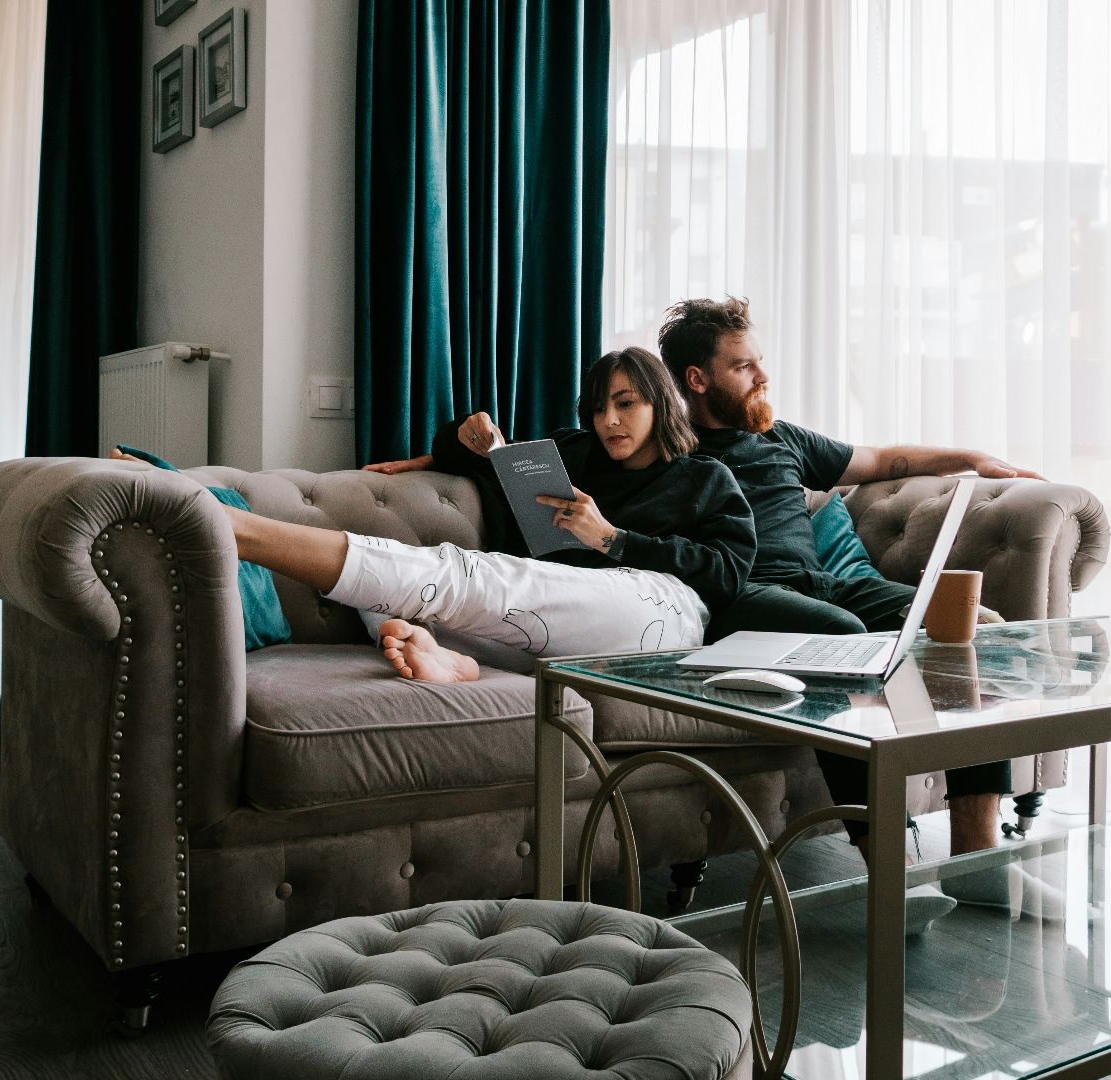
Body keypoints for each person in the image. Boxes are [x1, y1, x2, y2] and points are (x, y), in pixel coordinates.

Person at [657, 295, 1059, 926]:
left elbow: (886, 461)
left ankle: (980, 863)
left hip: (827, 585)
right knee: (842, 645)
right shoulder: (665, 454)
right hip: (747, 598)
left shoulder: (782, 438)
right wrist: (460, 447)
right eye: (743, 367)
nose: (762, 377)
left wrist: (970, 459)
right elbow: (553, 460)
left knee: (966, 628)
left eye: (760, 361)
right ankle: (892, 880)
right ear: (697, 380)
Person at [230, 347, 755, 682]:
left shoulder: (705, 478)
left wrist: (612, 539)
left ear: (661, 403)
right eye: (598, 408)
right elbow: (485, 460)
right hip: (562, 621)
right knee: (400, 607)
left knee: (471, 578)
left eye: (625, 403)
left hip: (661, 612)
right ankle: (455, 659)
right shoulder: (577, 453)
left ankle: (240, 530)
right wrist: (465, 437)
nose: (609, 421)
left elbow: (728, 573)